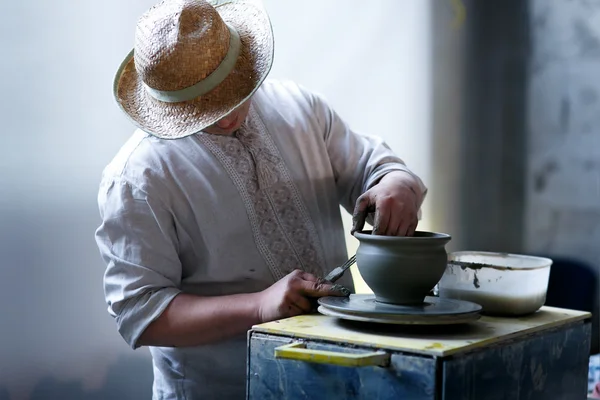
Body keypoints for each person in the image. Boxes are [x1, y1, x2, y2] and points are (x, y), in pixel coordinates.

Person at [95, 0, 428, 398]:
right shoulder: (137, 178)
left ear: (245, 65)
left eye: (229, 94)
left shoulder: (300, 109)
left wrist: (396, 183)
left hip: (344, 372)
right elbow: (142, 313)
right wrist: (258, 307)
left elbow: (373, 167)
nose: (224, 118)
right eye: (201, 106)